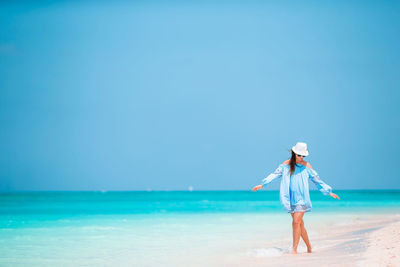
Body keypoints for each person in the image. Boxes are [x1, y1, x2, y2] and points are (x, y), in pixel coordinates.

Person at [252, 142, 340, 254]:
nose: (301, 157)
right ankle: (309, 247)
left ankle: (294, 249)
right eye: (299, 155)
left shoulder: (307, 166)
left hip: (302, 198)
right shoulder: (285, 165)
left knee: (296, 222)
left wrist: (328, 192)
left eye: (303, 155)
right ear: (294, 153)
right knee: (300, 224)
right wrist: (262, 184)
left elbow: (317, 181)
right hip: (290, 198)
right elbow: (274, 175)